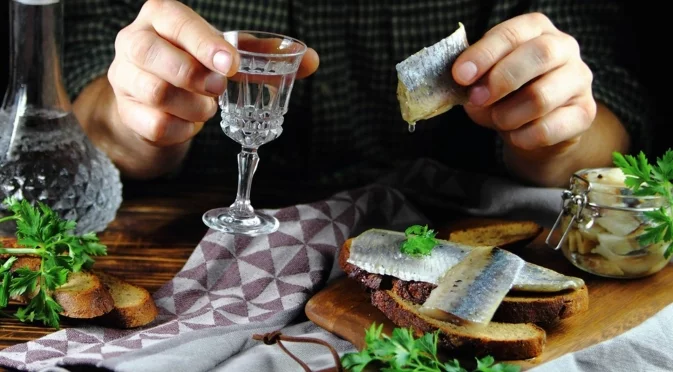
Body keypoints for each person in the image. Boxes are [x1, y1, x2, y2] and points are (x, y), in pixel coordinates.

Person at [65, 0, 651, 193]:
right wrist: (134, 122)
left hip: (452, 242)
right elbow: (81, 98)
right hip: (187, 246)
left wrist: (555, 138)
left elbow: (614, 113)